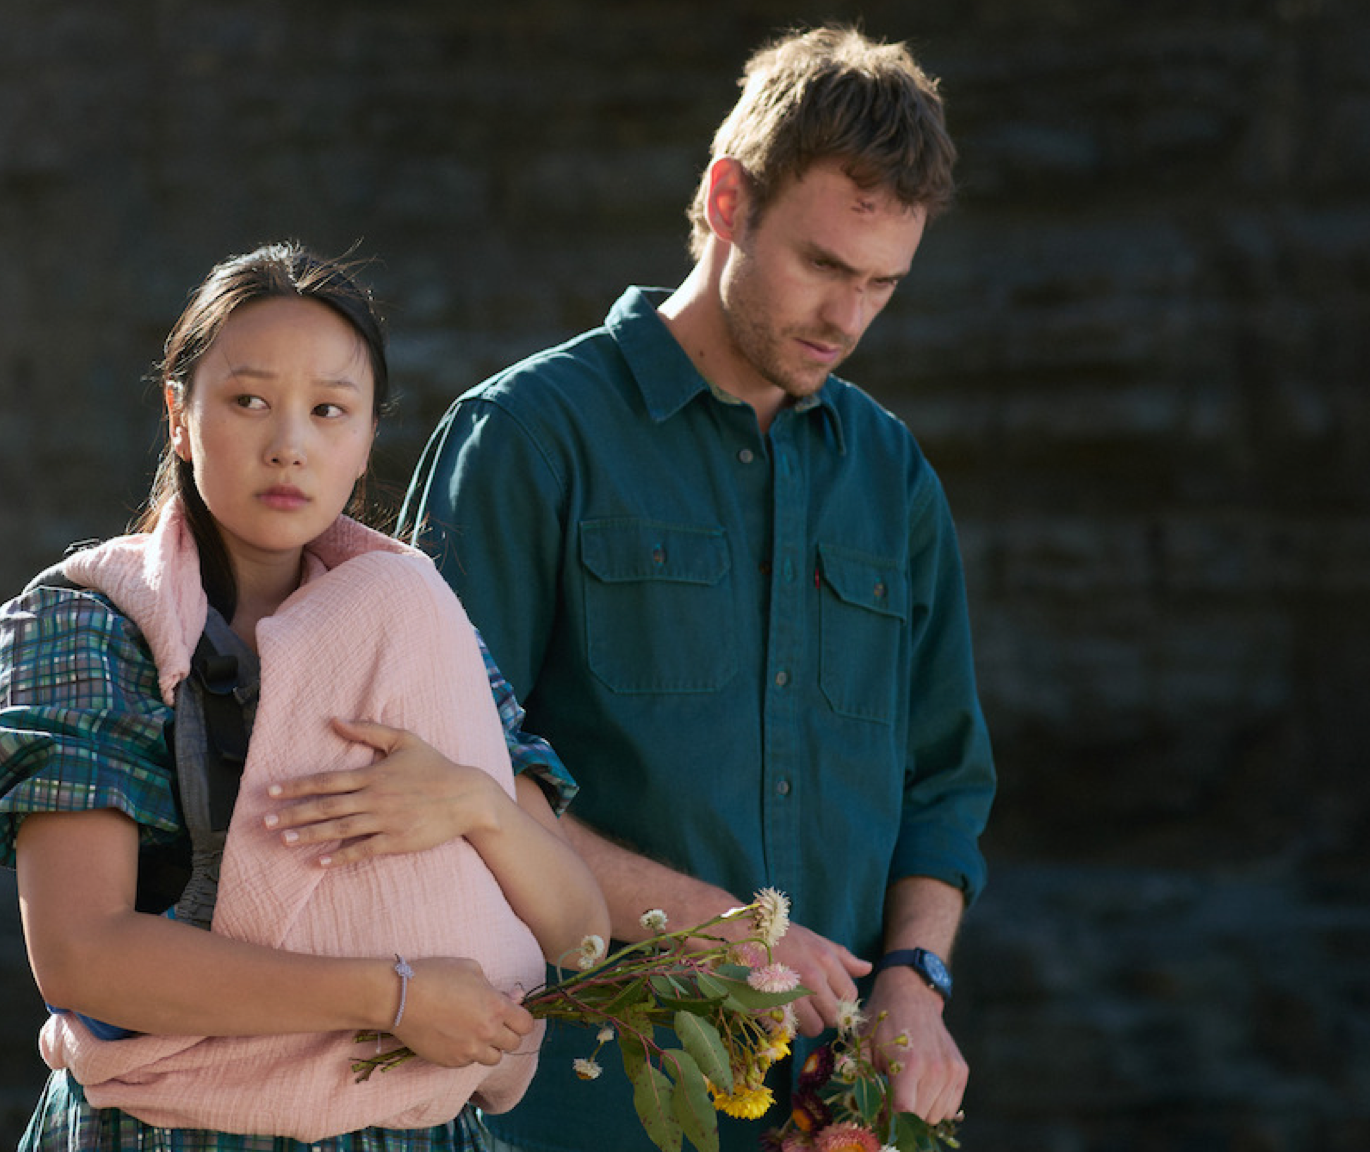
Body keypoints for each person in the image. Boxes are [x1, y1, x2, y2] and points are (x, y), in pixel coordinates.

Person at [397, 26, 996, 1152]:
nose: (847, 320)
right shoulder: (524, 438)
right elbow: (441, 784)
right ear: (727, 201)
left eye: (881, 285)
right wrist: (721, 933)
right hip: (562, 1105)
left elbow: (944, 781)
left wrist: (913, 984)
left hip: (823, 1116)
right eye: (822, 267)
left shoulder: (892, 475)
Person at [0, 241, 610, 1151]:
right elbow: (80, 954)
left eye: (328, 412)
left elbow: (578, 933)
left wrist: (474, 804)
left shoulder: (417, 621)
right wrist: (392, 995)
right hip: (175, 1128)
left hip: (406, 1129)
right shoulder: (95, 626)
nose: (289, 444)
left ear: (366, 439)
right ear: (179, 417)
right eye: (248, 401)